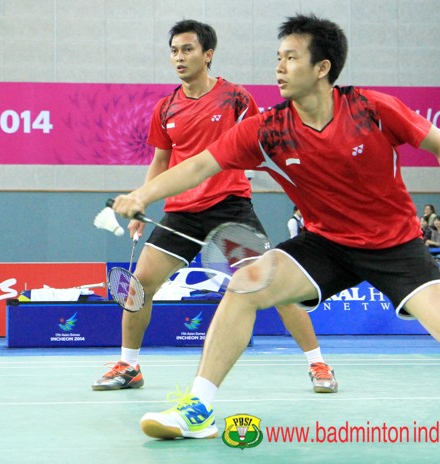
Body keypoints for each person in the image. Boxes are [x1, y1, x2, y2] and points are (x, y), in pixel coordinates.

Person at [111, 14, 440, 438]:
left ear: (322, 67)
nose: (279, 68)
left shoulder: (370, 108)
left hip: (396, 246)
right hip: (324, 243)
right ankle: (198, 407)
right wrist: (144, 195)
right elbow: (199, 164)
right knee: (246, 282)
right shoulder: (270, 129)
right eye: (278, 57)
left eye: (291, 58)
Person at [92, 19, 338, 395]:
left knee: (275, 286)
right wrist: (143, 202)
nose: (179, 57)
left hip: (229, 209)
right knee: (138, 285)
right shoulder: (166, 108)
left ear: (207, 55)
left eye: (187, 50)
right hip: (181, 212)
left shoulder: (235, 98)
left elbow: (261, 143)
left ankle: (318, 363)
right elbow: (161, 162)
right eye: (174, 51)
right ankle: (129, 364)